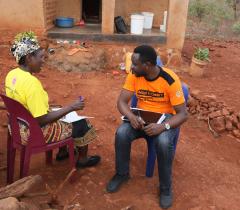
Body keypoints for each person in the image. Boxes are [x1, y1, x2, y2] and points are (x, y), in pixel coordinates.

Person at [106, 45, 188, 209]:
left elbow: (182, 114)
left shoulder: (169, 79)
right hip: (141, 118)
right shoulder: (134, 75)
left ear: (148, 65)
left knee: (163, 143)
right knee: (122, 133)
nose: (131, 67)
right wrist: (131, 117)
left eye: (135, 64)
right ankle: (122, 174)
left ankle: (165, 188)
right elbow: (122, 102)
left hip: (165, 120)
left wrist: (162, 127)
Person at [5, 32, 100, 168]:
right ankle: (83, 160)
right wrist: (72, 107)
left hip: (16, 126)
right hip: (32, 133)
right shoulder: (31, 83)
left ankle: (62, 153)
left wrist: (64, 109)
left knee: (60, 110)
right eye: (41, 57)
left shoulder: (12, 74)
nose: (44, 61)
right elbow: (41, 120)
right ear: (28, 58)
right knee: (82, 123)